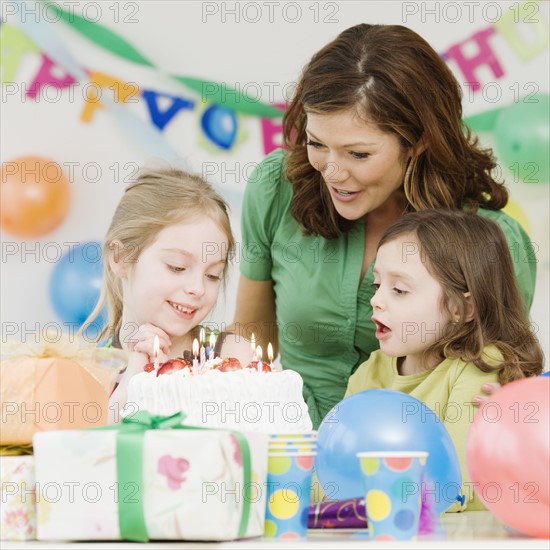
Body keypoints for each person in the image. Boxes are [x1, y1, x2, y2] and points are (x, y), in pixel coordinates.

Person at [231, 24, 536, 428]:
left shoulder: (489, 241)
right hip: (289, 453)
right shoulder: (276, 187)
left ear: (418, 141)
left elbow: (505, 375)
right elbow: (253, 338)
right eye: (317, 143)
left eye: (358, 153)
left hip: (415, 472)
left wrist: (514, 407)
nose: (332, 172)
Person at [345, 209, 544, 510]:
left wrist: (360, 499)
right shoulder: (368, 372)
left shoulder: (481, 365)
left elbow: (449, 491)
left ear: (461, 309)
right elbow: (330, 473)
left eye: (399, 289)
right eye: (377, 285)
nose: (376, 299)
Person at [81, 168, 250, 423]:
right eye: (177, 267)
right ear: (121, 258)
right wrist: (137, 377)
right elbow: (87, 450)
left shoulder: (233, 355)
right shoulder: (90, 369)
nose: (198, 288)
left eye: (213, 275)